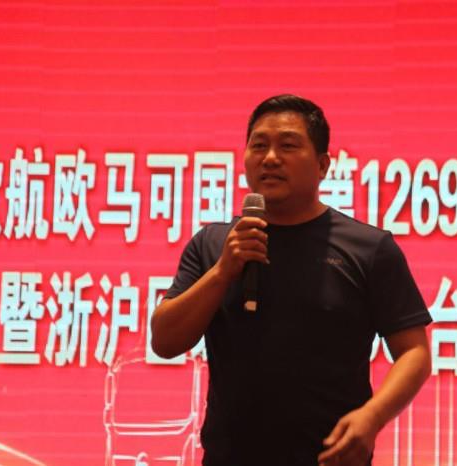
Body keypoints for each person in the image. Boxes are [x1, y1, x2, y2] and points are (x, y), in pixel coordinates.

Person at [151, 94, 432, 466]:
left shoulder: (368, 248)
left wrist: (373, 416)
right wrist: (222, 272)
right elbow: (165, 341)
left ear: (323, 165)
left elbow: (414, 353)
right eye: (259, 146)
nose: (270, 158)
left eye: (287, 145)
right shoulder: (213, 245)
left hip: (330, 458)